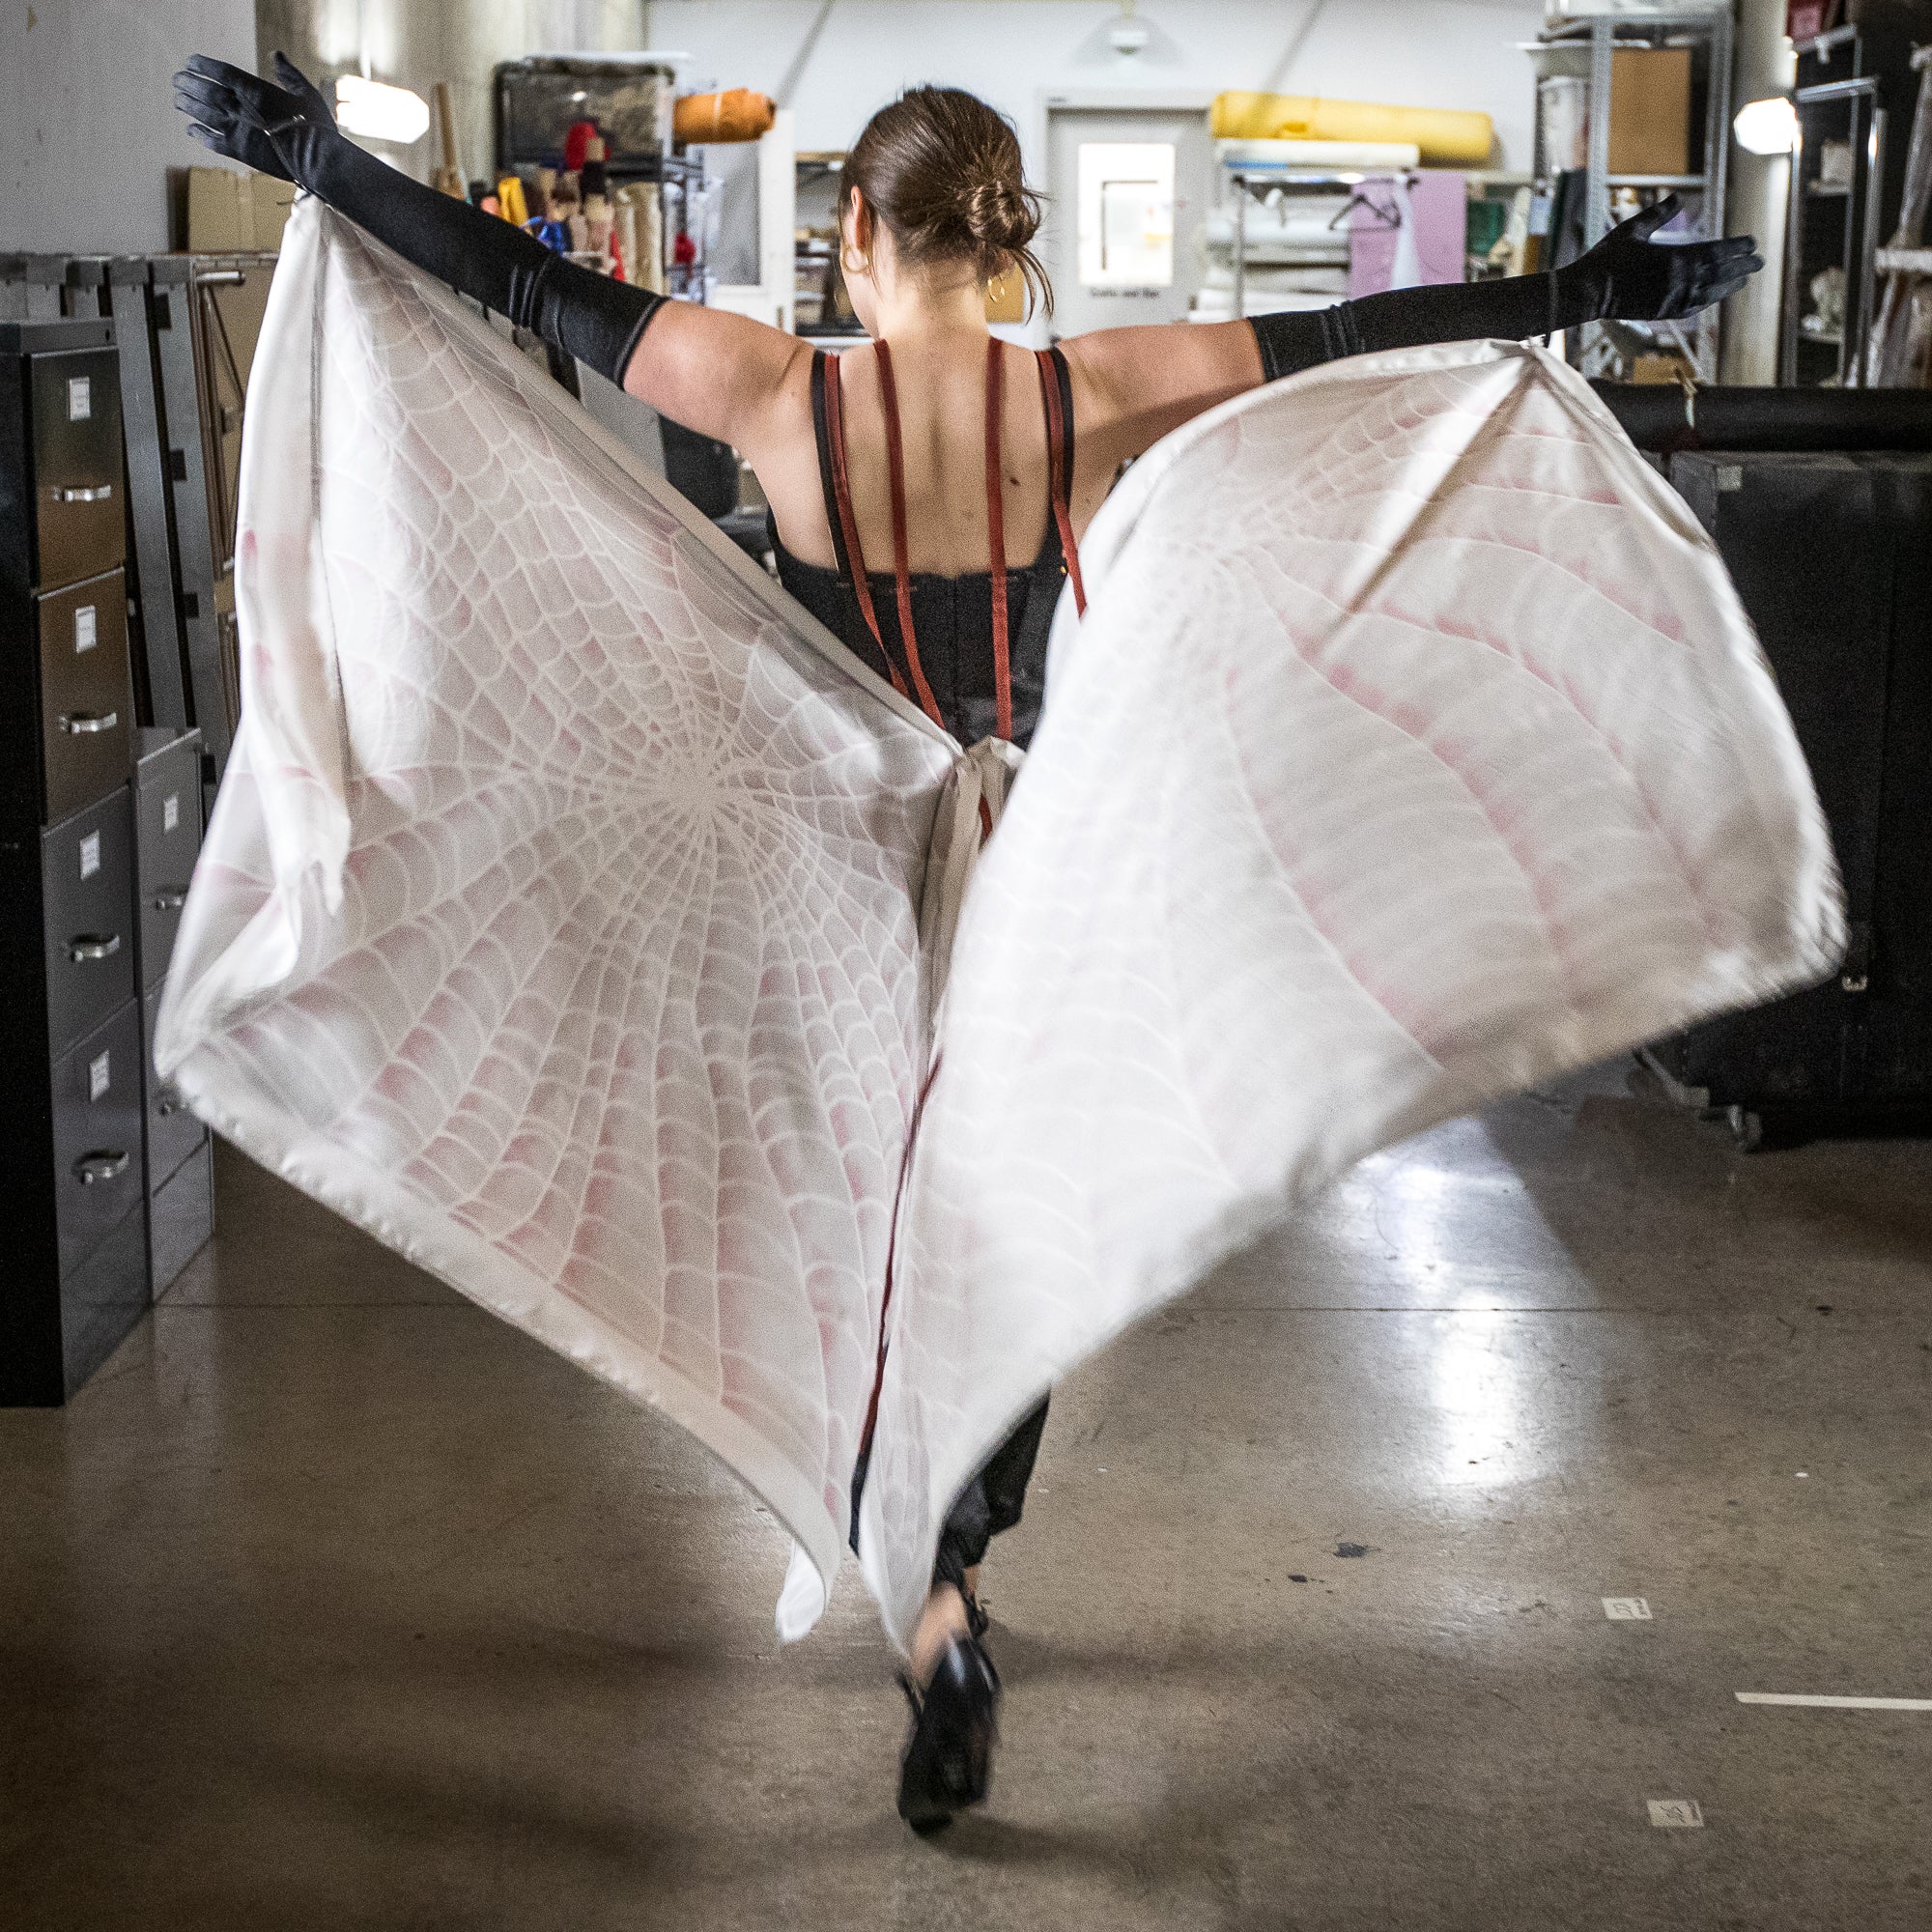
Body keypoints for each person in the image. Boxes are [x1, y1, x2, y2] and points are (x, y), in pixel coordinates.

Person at [172, 54, 1762, 1834]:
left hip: (833, 893)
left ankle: (928, 1613)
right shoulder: (1084, 390)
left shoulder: (778, 391)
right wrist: (1590, 293)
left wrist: (324, 165)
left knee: (857, 1237)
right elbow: (1363, 333)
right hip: (1027, 875)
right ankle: (950, 1574)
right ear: (1002, 246)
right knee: (999, 1237)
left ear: (857, 230)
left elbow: (526, 284)